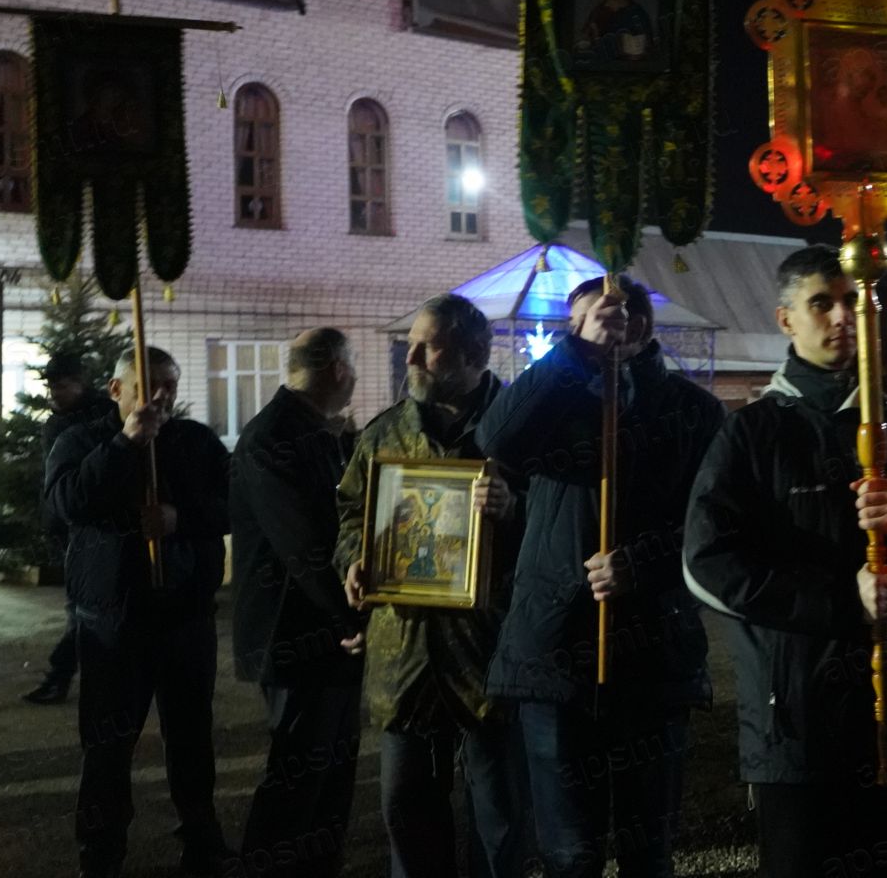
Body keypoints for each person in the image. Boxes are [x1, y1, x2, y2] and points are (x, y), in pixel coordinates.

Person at [684, 245, 887, 878]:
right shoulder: (753, 434)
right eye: (820, 303)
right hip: (796, 726)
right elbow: (707, 562)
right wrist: (837, 599)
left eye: (853, 300)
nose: (841, 316)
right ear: (786, 319)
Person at [477, 275, 726, 878]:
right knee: (569, 852)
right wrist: (578, 355)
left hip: (652, 655)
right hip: (556, 654)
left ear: (645, 324)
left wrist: (641, 563)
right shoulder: (554, 402)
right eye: (591, 316)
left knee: (648, 851)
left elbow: (715, 524)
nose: (612, 322)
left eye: (624, 312)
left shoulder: (693, 411)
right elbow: (497, 436)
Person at [335, 294, 529, 878]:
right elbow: (351, 515)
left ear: (473, 352)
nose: (411, 355)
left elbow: (559, 520)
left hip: (490, 652)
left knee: (501, 816)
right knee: (408, 815)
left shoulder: (518, 425)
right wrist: (355, 561)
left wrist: (514, 508)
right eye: (411, 343)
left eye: (429, 345)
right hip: (406, 655)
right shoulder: (385, 434)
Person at [45, 347, 232, 877]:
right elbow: (65, 503)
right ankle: (100, 854)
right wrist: (126, 444)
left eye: (169, 385)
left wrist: (183, 519)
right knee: (107, 747)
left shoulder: (195, 441)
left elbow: (235, 501)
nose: (160, 396)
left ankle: (201, 837)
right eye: (148, 385)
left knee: (192, 738)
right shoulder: (79, 441)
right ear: (116, 389)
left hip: (185, 616)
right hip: (112, 621)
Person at [231, 328, 366, 878]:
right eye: (352, 365)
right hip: (297, 636)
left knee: (329, 777)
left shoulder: (315, 432)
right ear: (337, 368)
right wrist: (347, 615)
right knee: (296, 778)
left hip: (327, 636)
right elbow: (305, 544)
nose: (354, 377)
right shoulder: (274, 437)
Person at [26, 352, 119, 704]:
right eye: (51, 386)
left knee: (82, 609)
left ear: (81, 383)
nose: (55, 393)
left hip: (94, 529)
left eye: (62, 386)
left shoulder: (103, 417)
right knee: (81, 607)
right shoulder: (58, 424)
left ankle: (59, 675)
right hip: (66, 528)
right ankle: (62, 676)